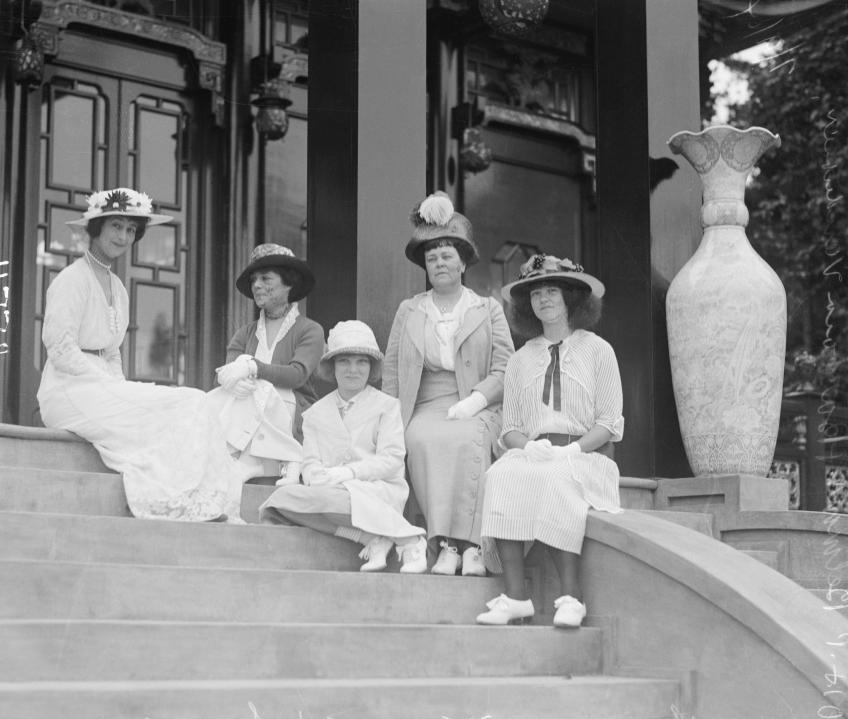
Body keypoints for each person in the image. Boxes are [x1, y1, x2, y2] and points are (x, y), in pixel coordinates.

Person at [37, 188, 238, 522]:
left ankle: (194, 499)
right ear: (96, 228)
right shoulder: (72, 279)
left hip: (100, 385)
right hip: (68, 388)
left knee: (195, 402)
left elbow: (113, 351)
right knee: (187, 403)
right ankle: (172, 501)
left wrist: (116, 385)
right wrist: (106, 384)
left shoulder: (118, 287)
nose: (124, 236)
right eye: (116, 226)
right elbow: (59, 348)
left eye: (131, 230)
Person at [476, 254, 623, 628]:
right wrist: (526, 446)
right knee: (502, 475)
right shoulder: (520, 359)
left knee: (559, 477)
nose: (544, 300)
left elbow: (608, 422)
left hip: (585, 454)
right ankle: (515, 596)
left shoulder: (598, 350)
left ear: (571, 297)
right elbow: (508, 427)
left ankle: (573, 597)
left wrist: (572, 449)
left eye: (552, 291)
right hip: (536, 451)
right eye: (536, 293)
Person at [382, 192, 514, 576]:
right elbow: (392, 371)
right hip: (424, 405)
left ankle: (471, 546)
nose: (439, 263)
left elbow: (507, 367)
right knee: (421, 438)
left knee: (466, 438)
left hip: (476, 403)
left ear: (462, 262)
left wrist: (476, 400)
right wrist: (389, 420)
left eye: (447, 256)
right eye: (431, 257)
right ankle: (442, 544)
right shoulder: (410, 310)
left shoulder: (486, 309)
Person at [260, 320, 428, 573]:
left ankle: (409, 539)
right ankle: (371, 537)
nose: (353, 370)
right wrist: (320, 479)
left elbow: (392, 459)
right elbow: (311, 462)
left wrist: (350, 473)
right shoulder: (315, 414)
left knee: (333, 499)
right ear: (332, 367)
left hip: (376, 490)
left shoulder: (386, 405)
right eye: (344, 361)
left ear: (371, 368)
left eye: (362, 362)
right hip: (329, 493)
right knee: (279, 502)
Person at [209, 244, 324, 508]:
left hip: (291, 413)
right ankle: (240, 460)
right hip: (247, 412)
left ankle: (251, 462)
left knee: (265, 387)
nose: (257, 285)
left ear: (288, 284)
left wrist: (253, 368)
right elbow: (226, 373)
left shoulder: (310, 330)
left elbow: (297, 376)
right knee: (215, 398)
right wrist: (232, 380)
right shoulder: (245, 333)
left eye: (266, 278)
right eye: (253, 280)